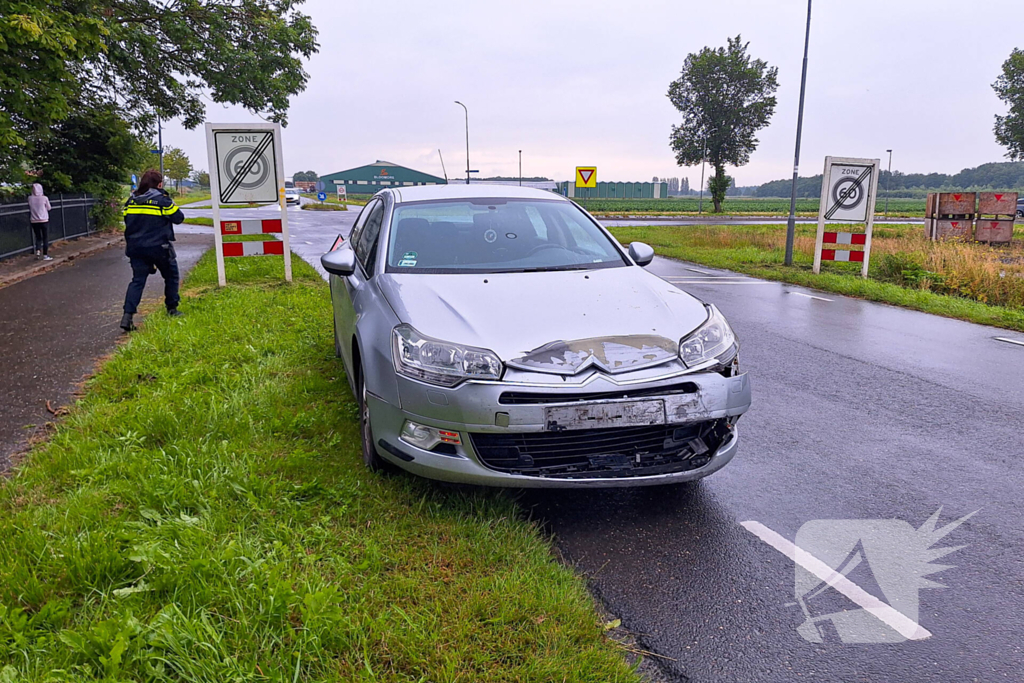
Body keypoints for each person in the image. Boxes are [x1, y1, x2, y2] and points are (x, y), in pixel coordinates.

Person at [120, 170, 184, 332]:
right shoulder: (162, 201)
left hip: (136, 248)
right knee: (171, 276)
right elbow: (179, 218)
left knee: (137, 281)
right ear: (159, 184)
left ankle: (127, 317)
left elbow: (126, 219)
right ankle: (172, 308)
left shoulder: (131, 200)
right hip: (159, 248)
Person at [27, 183, 52, 261]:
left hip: (34, 220)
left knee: (38, 237)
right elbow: (49, 208)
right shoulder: (44, 198)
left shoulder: (30, 198)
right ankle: (45, 255)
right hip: (44, 220)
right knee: (45, 237)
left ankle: (38, 251)